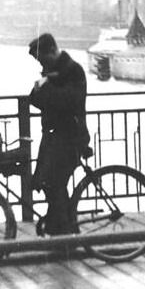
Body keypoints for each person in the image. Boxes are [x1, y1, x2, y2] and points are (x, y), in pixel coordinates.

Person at [28, 33, 90, 235]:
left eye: (42, 59)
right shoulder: (52, 70)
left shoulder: (73, 70)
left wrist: (45, 88)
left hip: (70, 137)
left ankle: (64, 234)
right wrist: (41, 88)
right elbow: (34, 100)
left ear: (53, 51)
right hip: (53, 138)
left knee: (54, 182)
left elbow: (70, 101)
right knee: (48, 183)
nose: (40, 63)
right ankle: (62, 228)